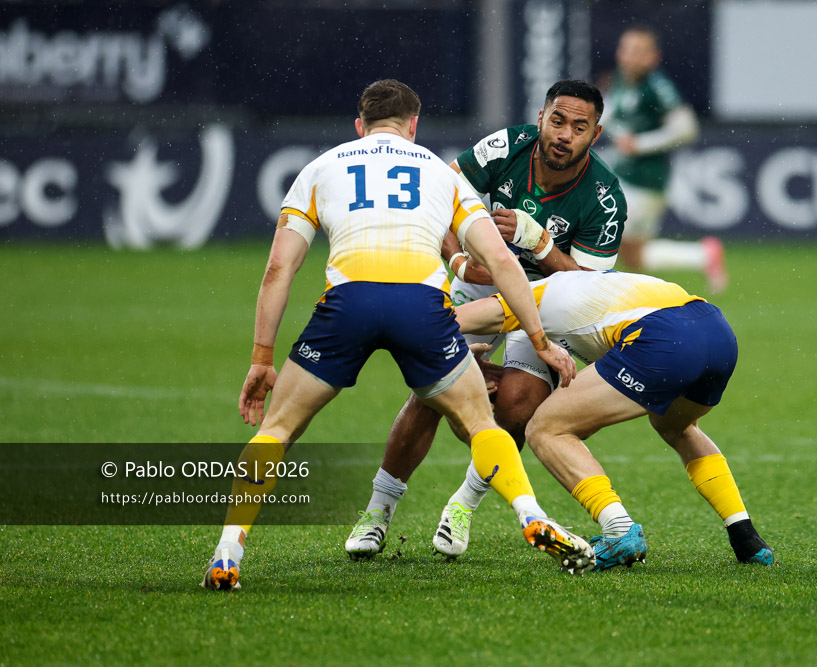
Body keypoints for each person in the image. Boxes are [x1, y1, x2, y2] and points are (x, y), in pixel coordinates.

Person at [202, 79, 593, 591]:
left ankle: (228, 550)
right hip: (421, 306)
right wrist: (540, 341)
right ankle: (529, 514)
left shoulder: (321, 168)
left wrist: (260, 358)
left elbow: (279, 269)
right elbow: (500, 259)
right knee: (481, 423)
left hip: (348, 305)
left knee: (276, 430)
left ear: (359, 125)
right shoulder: (437, 170)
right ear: (414, 125)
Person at [345, 79, 628, 561]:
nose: (564, 134)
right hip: (480, 281)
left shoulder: (605, 199)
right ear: (541, 118)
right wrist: (457, 262)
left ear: (594, 135)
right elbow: (436, 200)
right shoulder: (506, 147)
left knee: (518, 406)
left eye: (578, 127)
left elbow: (587, 288)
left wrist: (541, 245)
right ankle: (378, 511)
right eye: (557, 120)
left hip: (546, 301)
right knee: (434, 389)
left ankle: (463, 504)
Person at [454, 269, 773, 570]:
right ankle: (746, 538)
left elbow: (452, 321)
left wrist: (460, 360)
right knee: (677, 426)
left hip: (663, 338)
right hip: (717, 331)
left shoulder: (527, 296)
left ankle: (618, 529)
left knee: (547, 429)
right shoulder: (584, 282)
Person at [604, 25, 727, 293]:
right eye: (625, 49)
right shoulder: (624, 79)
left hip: (644, 180)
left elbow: (687, 129)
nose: (629, 57)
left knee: (600, 235)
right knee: (634, 256)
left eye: (638, 52)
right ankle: (704, 256)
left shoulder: (658, 87)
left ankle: (585, 300)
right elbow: (615, 113)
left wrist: (640, 144)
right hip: (626, 174)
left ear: (653, 58)